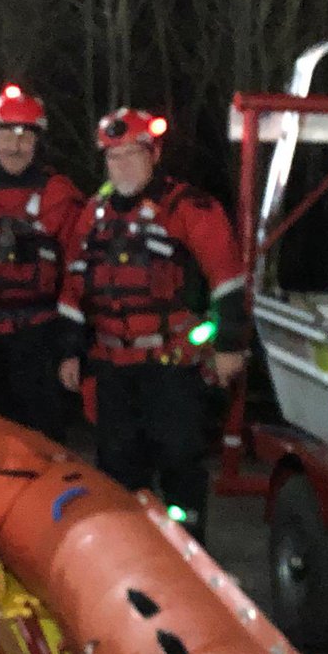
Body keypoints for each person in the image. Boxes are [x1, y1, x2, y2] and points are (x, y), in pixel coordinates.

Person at [57, 108, 248, 541]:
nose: (122, 164)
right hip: (112, 367)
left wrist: (229, 345)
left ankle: (187, 549)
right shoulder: (93, 214)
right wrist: (70, 349)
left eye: (132, 154)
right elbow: (73, 286)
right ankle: (130, 552)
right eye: (113, 157)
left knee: (180, 460)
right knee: (118, 467)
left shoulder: (188, 208)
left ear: (154, 154)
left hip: (171, 365)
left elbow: (227, 278)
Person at [0, 84, 84, 440]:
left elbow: (75, 273)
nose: (15, 146)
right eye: (7, 135)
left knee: (43, 441)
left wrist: (71, 345)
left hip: (39, 336)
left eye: (25, 137)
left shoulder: (60, 194)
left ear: (38, 141)